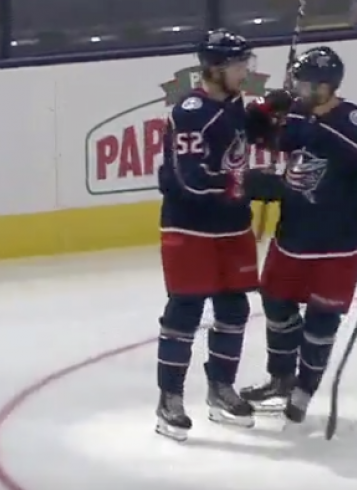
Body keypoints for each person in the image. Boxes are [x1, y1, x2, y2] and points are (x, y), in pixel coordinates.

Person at [240, 46, 357, 425]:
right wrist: (264, 112)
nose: (298, 88)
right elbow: (264, 138)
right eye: (297, 81)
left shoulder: (354, 124)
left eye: (305, 83)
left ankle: (305, 386)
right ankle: (282, 377)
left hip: (341, 240)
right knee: (274, 301)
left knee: (323, 317)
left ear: (327, 85)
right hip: (295, 233)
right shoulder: (298, 115)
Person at [154, 29, 260, 441]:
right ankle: (170, 399)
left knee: (234, 308)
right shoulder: (191, 111)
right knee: (185, 310)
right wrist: (244, 185)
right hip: (189, 226)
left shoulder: (235, 103)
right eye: (238, 64)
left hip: (231, 225)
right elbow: (190, 180)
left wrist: (273, 114)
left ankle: (221, 388)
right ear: (215, 68)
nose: (245, 72)